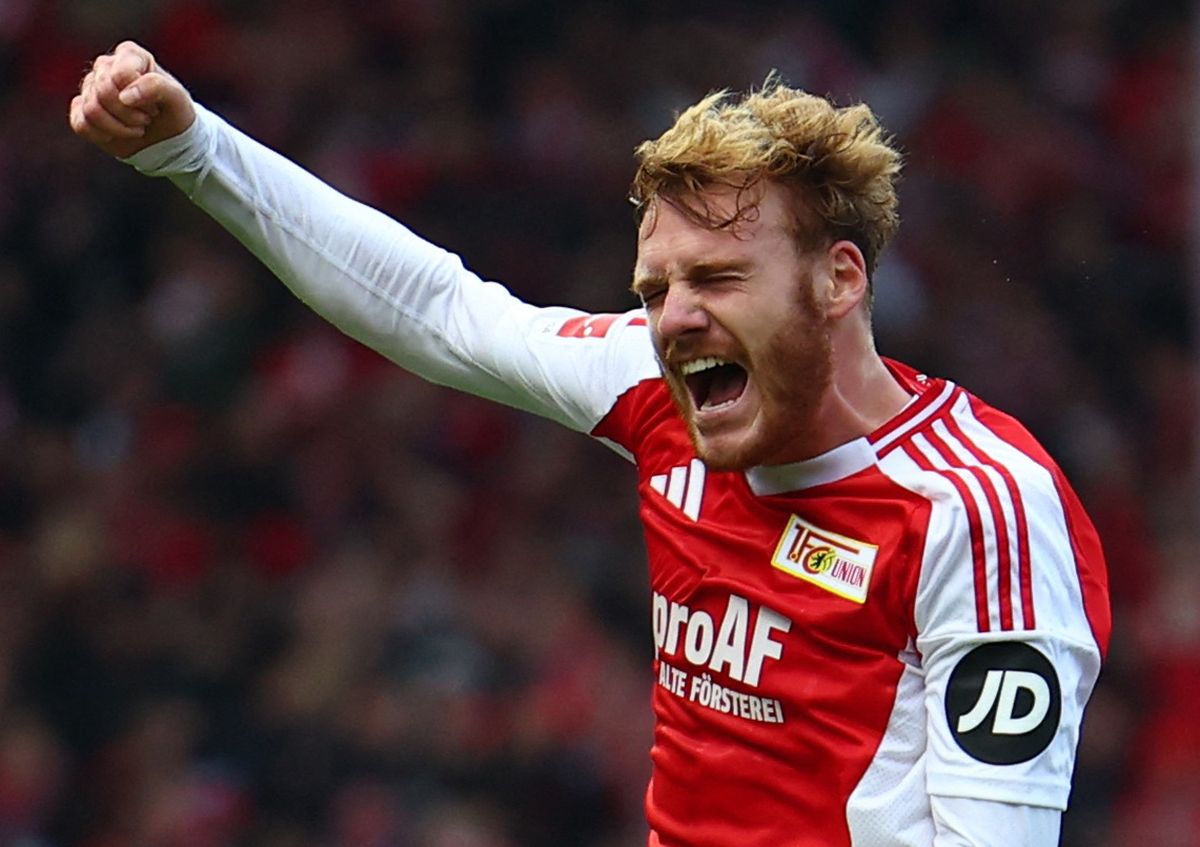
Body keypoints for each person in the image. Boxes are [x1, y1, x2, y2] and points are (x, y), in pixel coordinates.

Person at [70, 41, 1110, 847]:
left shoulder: (978, 512)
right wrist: (191, 147)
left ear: (839, 279)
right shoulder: (662, 395)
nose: (672, 318)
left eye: (719, 279)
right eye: (656, 289)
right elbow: (441, 310)